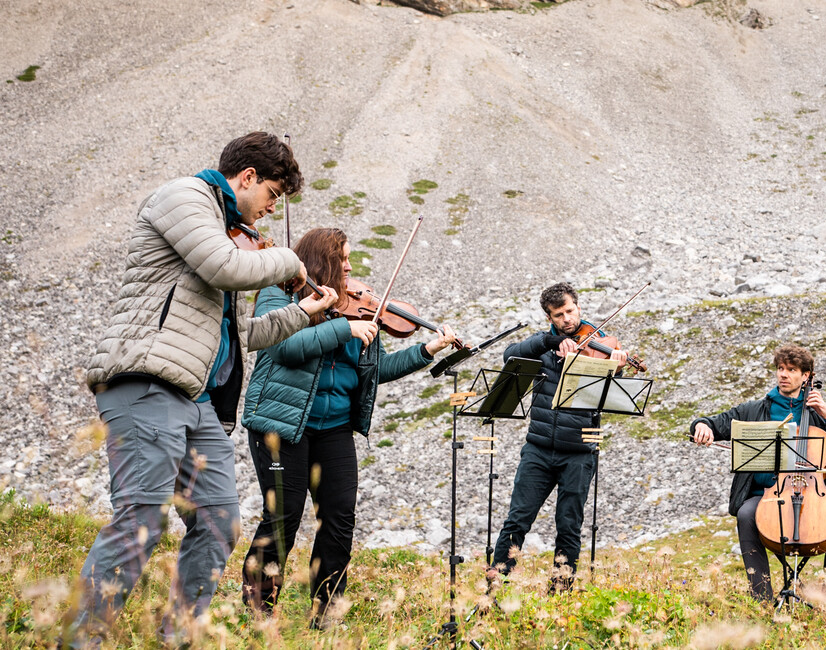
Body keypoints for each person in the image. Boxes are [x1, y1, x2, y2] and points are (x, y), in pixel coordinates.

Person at [77, 132, 337, 644]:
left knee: (220, 521)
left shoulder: (230, 231)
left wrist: (303, 313)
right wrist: (288, 261)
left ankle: (178, 633)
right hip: (147, 382)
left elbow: (246, 335)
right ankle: (80, 638)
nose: (268, 210)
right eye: (272, 196)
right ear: (247, 178)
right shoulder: (184, 198)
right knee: (141, 519)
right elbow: (224, 267)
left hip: (198, 402)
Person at [238, 227, 461, 626]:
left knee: (339, 516)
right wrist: (342, 329)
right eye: (341, 258)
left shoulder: (355, 307)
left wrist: (426, 350)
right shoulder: (280, 293)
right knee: (284, 515)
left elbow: (374, 371)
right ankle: (258, 605)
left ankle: (326, 611)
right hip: (281, 422)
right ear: (321, 260)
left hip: (335, 427)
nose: (349, 267)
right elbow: (284, 349)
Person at [689, 344, 826, 603]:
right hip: (766, 497)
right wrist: (702, 426)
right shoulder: (754, 410)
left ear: (806, 376)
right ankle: (762, 600)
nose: (784, 374)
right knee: (746, 513)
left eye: (791, 370)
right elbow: (714, 422)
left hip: (811, 494)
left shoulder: (818, 414)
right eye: (780, 368)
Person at [489, 282, 627, 590]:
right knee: (516, 521)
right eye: (558, 315)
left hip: (579, 451)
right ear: (550, 318)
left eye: (569, 311)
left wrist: (615, 369)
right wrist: (548, 342)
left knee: (568, 526)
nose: (566, 319)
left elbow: (611, 396)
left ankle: (560, 593)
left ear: (578, 306)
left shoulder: (600, 344)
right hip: (538, 449)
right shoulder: (544, 344)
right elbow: (509, 355)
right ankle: (494, 589)